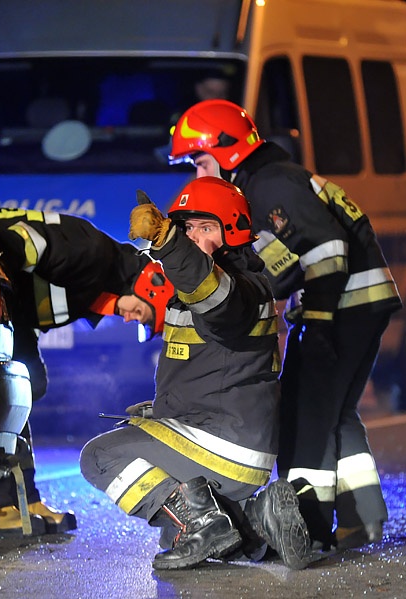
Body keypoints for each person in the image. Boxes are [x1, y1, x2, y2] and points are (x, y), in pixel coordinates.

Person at [167, 99, 403, 552]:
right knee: (335, 412)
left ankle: (308, 528)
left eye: (199, 162)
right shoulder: (275, 179)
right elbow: (287, 260)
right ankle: (362, 518)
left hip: (343, 307)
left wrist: (317, 321)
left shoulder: (270, 183)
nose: (197, 175)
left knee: (305, 412)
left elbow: (328, 249)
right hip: (359, 304)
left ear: (226, 151)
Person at [79, 177, 312, 571]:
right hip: (228, 438)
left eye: (206, 228)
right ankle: (259, 520)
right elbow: (213, 375)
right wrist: (161, 413)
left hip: (226, 446)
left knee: (98, 456)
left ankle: (205, 522)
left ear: (232, 232)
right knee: (175, 535)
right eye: (187, 229)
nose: (193, 238)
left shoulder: (240, 288)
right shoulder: (212, 289)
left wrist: (169, 242)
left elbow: (214, 298)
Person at [0, 208, 174, 537]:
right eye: (144, 315)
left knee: (28, 382)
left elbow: (24, 299)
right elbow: (17, 243)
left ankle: (22, 501)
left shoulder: (96, 284)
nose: (132, 320)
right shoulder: (92, 255)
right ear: (153, 288)